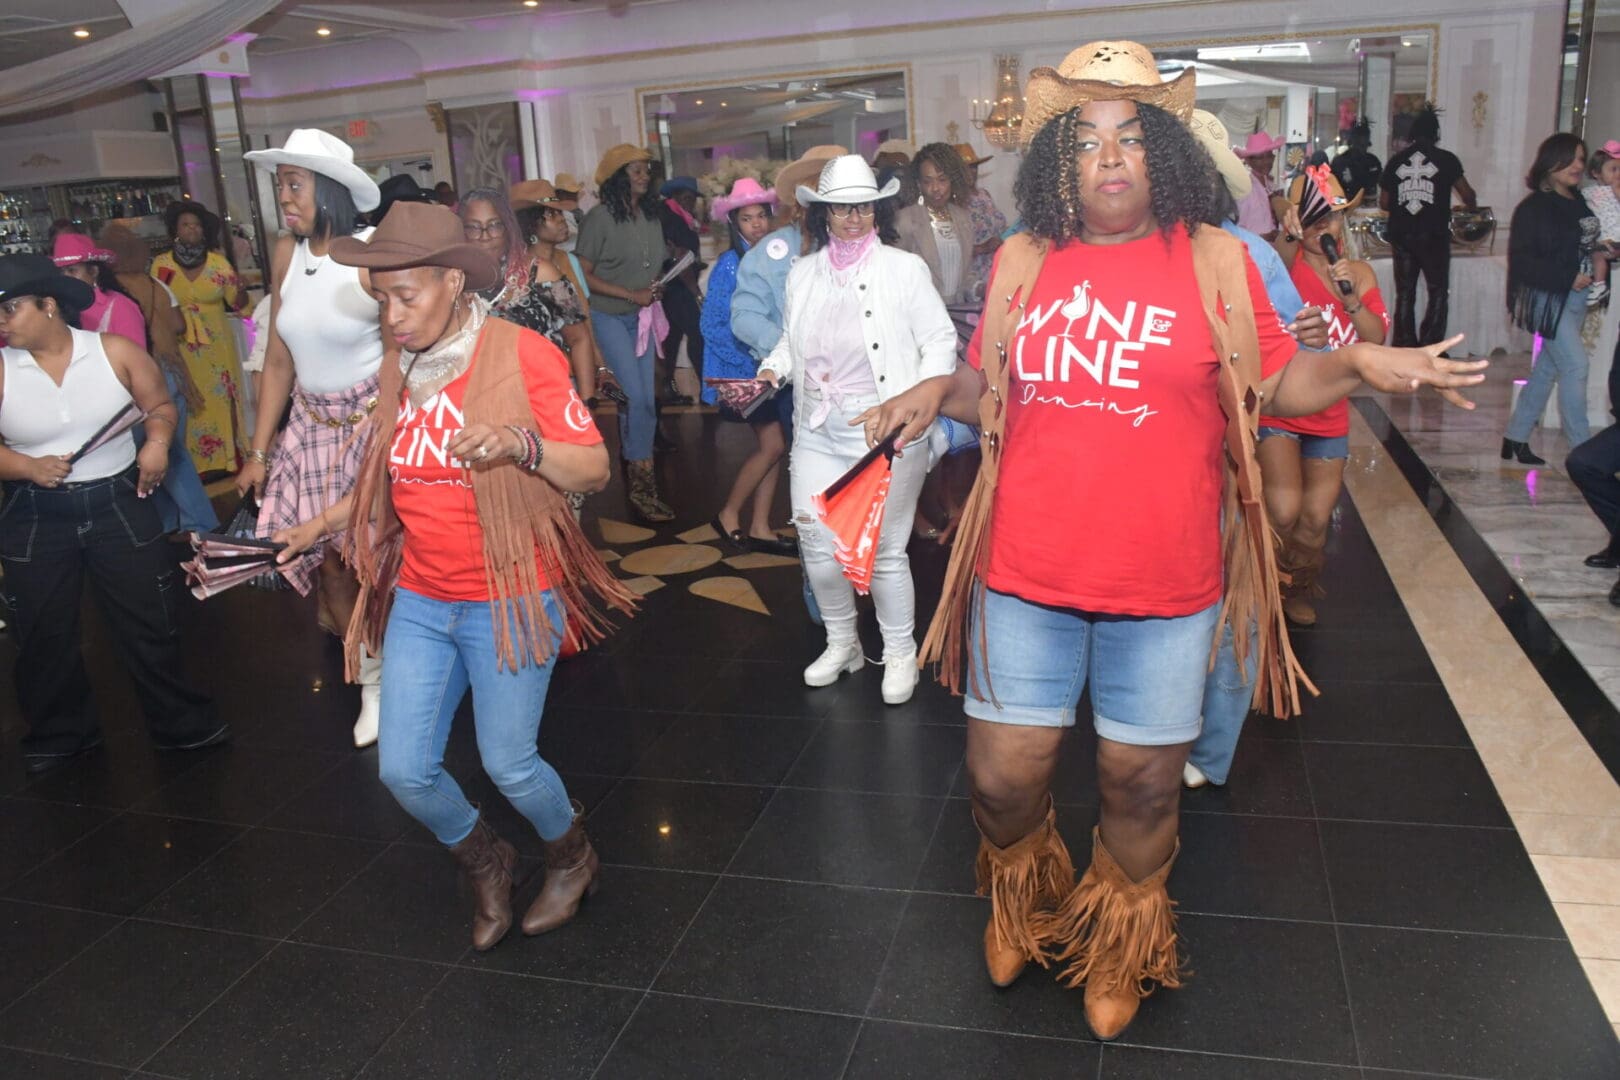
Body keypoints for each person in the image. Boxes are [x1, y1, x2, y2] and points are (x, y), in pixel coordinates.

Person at [859, 40, 1485, 1041]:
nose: (1110, 156)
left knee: (1141, 783)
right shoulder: (1024, 260)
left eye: (1131, 135)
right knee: (1001, 780)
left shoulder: (1219, 260)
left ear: (1166, 152)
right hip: (1027, 572)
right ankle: (1021, 895)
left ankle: (1119, 939)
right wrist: (943, 390)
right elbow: (994, 394)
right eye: (1087, 139)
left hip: (1168, 584)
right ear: (1060, 159)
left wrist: (1360, 363)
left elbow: (1281, 384)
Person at [270, 203, 635, 951]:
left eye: (407, 296)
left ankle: (572, 855)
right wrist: (321, 523)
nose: (393, 316)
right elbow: (386, 478)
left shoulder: (521, 353)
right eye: (382, 300)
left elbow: (594, 466)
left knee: (510, 763)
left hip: (512, 589)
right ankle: (487, 859)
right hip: (425, 597)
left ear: (451, 281)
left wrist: (519, 445)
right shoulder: (399, 365)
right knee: (404, 770)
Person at [0, 254, 226, 773]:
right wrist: (26, 466)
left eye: (11, 309)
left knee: (149, 621)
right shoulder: (3, 368)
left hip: (117, 504)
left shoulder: (114, 352)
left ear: (49, 305)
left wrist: (158, 444)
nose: (3, 322)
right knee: (42, 630)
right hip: (37, 512)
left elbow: (160, 407)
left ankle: (180, 725)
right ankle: (62, 734)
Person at [757, 154, 957, 707]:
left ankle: (898, 652)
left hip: (884, 431)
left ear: (875, 209)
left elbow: (941, 342)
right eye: (841, 207)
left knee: (886, 551)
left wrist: (916, 401)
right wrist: (773, 369)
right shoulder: (802, 274)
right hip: (817, 429)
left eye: (862, 206)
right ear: (823, 213)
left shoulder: (903, 269)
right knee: (818, 547)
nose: (852, 217)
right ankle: (842, 642)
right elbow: (792, 343)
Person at [238, 128, 386, 748]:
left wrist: (397, 427)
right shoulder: (284, 254)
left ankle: (406, 670)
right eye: (279, 187)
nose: (284, 199)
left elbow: (406, 346)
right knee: (329, 559)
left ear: (327, 190)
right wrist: (257, 451)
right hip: (310, 425)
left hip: (373, 421)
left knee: (380, 559)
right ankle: (371, 681)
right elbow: (278, 358)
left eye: (293, 185)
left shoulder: (376, 253)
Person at [1262, 168, 1386, 628]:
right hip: (1281, 405)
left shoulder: (1358, 273)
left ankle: (1296, 586)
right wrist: (1287, 231)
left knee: (1315, 519)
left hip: (1330, 412)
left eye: (1332, 219)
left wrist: (1350, 298)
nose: (1324, 229)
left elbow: (1376, 338)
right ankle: (1266, 585)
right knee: (1284, 508)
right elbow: (1274, 250)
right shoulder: (1283, 266)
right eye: (1314, 220)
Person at [81, 228, 217, 534]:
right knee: (170, 452)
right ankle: (188, 524)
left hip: (136, 383)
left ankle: (191, 524)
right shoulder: (154, 284)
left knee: (159, 455)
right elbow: (179, 325)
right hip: (169, 372)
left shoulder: (108, 295)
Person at [576, 144, 673, 523]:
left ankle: (639, 470)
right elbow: (582, 273)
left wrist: (654, 286)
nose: (644, 176)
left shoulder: (651, 215)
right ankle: (642, 487)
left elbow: (650, 265)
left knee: (646, 398)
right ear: (618, 178)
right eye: (635, 171)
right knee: (635, 398)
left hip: (644, 316)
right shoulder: (599, 219)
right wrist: (630, 293)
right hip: (610, 317)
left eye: (646, 170)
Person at [701, 177, 794, 554]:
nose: (756, 225)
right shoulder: (729, 264)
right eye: (746, 219)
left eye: (761, 217)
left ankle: (759, 525)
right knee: (772, 444)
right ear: (733, 224)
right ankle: (728, 513)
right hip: (748, 371)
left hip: (771, 368)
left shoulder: (774, 256)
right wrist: (752, 363)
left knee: (776, 445)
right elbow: (712, 325)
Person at [1503, 133, 1600, 464]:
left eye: (1582, 159)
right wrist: (1567, 276)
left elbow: (1582, 243)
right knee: (1576, 365)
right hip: (1547, 296)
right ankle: (1583, 451)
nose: (1578, 165)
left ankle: (1514, 437)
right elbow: (1522, 260)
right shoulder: (1532, 208)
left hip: (1576, 297)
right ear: (1551, 161)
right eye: (1571, 158)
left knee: (1548, 369)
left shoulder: (1579, 200)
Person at [151, 200, 248, 477]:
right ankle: (194, 466)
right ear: (175, 231)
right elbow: (154, 305)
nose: (192, 229)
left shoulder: (219, 264)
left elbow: (238, 304)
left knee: (220, 401)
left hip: (217, 347)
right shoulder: (161, 265)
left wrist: (240, 290)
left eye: (196, 225)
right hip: (180, 347)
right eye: (185, 224)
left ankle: (226, 461)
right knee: (188, 400)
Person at [1379, 103, 1476, 349]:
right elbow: (1467, 194)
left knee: (1405, 292)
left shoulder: (1396, 161)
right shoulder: (1447, 160)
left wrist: (1410, 203)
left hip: (1401, 235)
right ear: (1436, 134)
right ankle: (1431, 346)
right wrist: (1470, 208)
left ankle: (1403, 344)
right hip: (1434, 235)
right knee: (1438, 291)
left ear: (1412, 134)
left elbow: (1385, 202)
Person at [896, 143, 977, 306]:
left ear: (952, 181)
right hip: (920, 316)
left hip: (957, 314)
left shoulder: (963, 218)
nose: (935, 188)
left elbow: (964, 276)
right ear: (919, 184)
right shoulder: (905, 220)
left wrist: (981, 287)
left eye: (942, 180)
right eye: (928, 181)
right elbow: (894, 278)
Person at [658, 175, 705, 402]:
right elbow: (681, 258)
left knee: (673, 338)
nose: (690, 203)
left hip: (673, 288)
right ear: (674, 196)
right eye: (686, 198)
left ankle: (668, 389)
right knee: (697, 335)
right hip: (679, 287)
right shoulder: (672, 219)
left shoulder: (676, 216)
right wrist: (696, 291)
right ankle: (707, 391)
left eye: (693, 199)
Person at [956, 143, 1008, 297]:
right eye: (965, 168)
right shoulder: (955, 203)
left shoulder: (984, 195)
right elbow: (952, 252)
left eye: (973, 167)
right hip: (975, 277)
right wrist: (982, 248)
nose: (971, 172)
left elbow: (999, 226)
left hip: (1000, 265)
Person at [1232, 131, 1285, 238]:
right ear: (1248, 160)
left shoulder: (1271, 185)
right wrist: (1265, 237)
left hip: (1272, 251)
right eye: (1260, 158)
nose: (1266, 161)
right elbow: (1236, 230)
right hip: (1252, 251)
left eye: (1269, 156)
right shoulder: (1244, 187)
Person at [1331, 117, 1383, 207]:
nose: (1362, 149)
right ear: (1352, 143)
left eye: (1364, 146)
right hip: (1344, 210)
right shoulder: (1339, 162)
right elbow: (1330, 198)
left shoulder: (1373, 162)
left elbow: (1381, 188)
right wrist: (1347, 202)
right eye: (1359, 145)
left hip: (1369, 211)